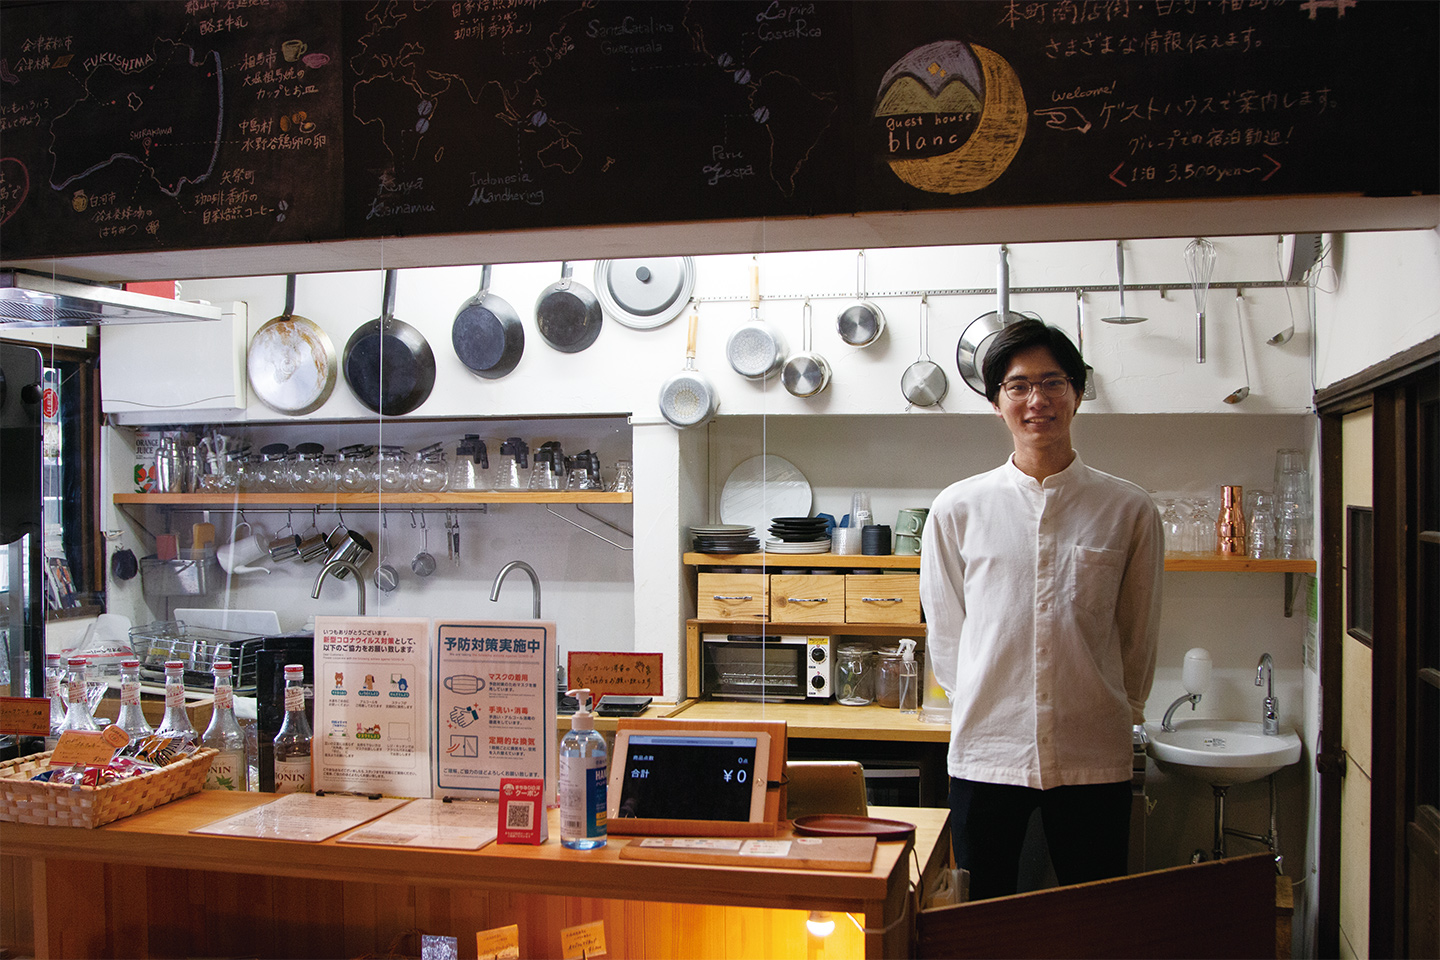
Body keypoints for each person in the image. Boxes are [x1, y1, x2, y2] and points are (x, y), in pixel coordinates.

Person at [919, 318, 1163, 900]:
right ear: (996, 401)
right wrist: (977, 696)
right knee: (981, 916)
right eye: (1018, 385)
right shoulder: (957, 508)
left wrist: (1120, 708)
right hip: (987, 751)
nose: (1037, 401)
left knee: (1094, 917)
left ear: (1077, 393)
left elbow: (1139, 630)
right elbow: (947, 632)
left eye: (1053, 383)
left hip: (1092, 754)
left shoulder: (1127, 508)